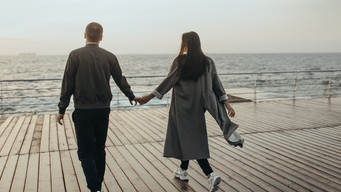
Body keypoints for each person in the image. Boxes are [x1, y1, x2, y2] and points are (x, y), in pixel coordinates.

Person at [139, 31, 243, 192]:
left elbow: (168, 82)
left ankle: (211, 175)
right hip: (198, 109)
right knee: (187, 138)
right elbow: (217, 84)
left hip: (180, 110)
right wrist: (227, 104)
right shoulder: (208, 62)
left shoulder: (181, 61)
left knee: (190, 140)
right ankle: (183, 170)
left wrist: (149, 96)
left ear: (185, 43)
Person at [56, 22, 138, 192]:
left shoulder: (75, 55)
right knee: (99, 150)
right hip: (103, 110)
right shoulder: (109, 56)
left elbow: (68, 84)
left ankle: (95, 189)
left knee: (85, 153)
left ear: (85, 35)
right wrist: (130, 95)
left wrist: (61, 109)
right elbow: (120, 79)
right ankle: (98, 186)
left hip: (83, 111)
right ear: (101, 37)